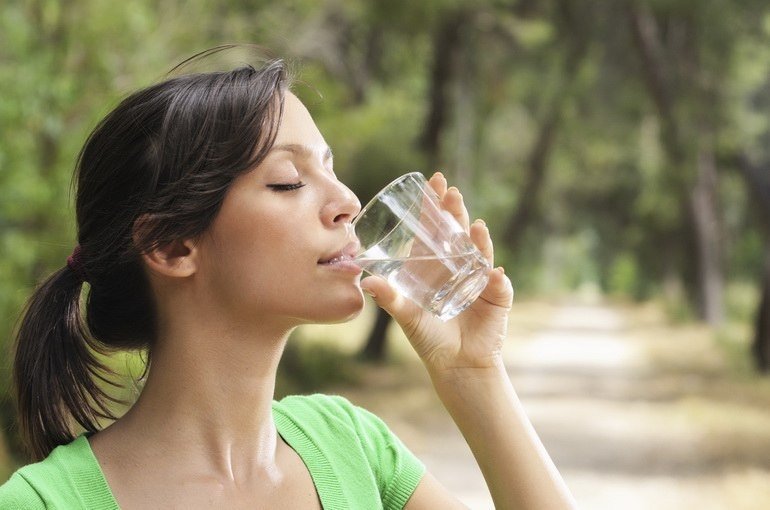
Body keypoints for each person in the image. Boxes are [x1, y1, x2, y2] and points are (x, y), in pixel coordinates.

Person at [0, 47, 576, 509]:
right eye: (287, 182)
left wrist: (474, 373)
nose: (348, 201)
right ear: (172, 246)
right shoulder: (45, 502)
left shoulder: (351, 446)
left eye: (329, 168)